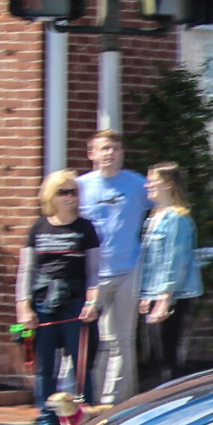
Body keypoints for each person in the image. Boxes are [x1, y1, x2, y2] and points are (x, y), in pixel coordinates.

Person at [16, 172, 101, 425]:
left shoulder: (85, 229)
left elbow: (95, 272)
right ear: (50, 196)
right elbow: (26, 270)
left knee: (80, 368)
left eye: (73, 192)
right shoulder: (38, 228)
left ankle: (82, 419)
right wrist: (24, 307)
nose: (69, 197)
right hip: (43, 303)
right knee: (44, 369)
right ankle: (45, 419)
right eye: (63, 192)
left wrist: (92, 302)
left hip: (75, 303)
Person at [77, 129, 148, 406]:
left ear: (121, 153)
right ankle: (88, 399)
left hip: (128, 269)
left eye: (114, 149)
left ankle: (117, 402)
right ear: (91, 154)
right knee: (92, 340)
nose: (109, 153)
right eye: (103, 149)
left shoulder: (137, 185)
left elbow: (165, 206)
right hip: (92, 274)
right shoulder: (80, 186)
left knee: (122, 339)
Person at [137, 161, 203, 388]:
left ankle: (172, 405)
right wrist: (146, 294)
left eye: (152, 182)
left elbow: (176, 260)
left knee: (167, 355)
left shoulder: (177, 218)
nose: (147, 186)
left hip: (174, 294)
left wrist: (165, 299)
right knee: (156, 355)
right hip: (157, 292)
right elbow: (150, 262)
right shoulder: (154, 216)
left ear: (169, 184)